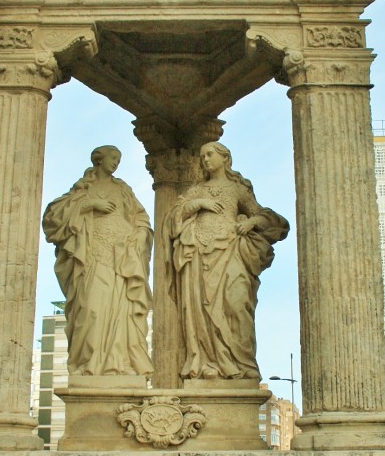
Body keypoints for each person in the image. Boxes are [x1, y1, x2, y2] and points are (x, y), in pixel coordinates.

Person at [167, 143, 288, 381]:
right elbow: (174, 217)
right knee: (201, 308)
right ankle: (208, 362)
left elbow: (264, 215)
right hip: (199, 254)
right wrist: (198, 204)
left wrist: (251, 223)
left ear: (225, 158)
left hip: (231, 250)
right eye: (202, 156)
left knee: (237, 303)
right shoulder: (197, 189)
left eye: (210, 154)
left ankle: (241, 363)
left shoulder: (237, 189)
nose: (205, 159)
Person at [42, 146, 153, 377]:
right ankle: (90, 364)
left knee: (122, 313)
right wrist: (90, 204)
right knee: (91, 309)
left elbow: (141, 218)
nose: (116, 163)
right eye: (113, 158)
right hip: (93, 256)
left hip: (121, 259)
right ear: (98, 160)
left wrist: (141, 234)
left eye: (119, 159)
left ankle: (119, 364)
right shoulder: (83, 189)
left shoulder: (123, 189)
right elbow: (53, 217)